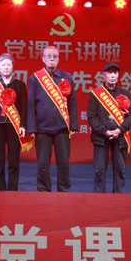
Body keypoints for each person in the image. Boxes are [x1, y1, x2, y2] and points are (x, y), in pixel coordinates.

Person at [27, 46, 78, 192]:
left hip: (62, 128)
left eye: (54, 56)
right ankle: (44, 191)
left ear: (58, 59)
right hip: (42, 129)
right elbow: (31, 104)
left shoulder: (67, 77)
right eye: (48, 56)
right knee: (43, 164)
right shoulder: (35, 78)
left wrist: (73, 125)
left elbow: (72, 103)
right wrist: (32, 128)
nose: (51, 59)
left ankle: (64, 191)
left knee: (64, 163)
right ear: (43, 59)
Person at [87, 62, 131, 193]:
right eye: (110, 73)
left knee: (120, 170)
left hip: (120, 136)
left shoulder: (125, 93)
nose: (113, 76)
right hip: (101, 137)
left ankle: (118, 198)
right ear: (103, 75)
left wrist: (120, 130)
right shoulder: (96, 94)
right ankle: (99, 198)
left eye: (115, 73)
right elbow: (91, 117)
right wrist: (105, 131)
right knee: (99, 170)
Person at [0, 53, 29, 191]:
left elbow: (24, 106)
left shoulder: (20, 85)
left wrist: (23, 125)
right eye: (3, 65)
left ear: (13, 67)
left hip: (14, 126)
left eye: (9, 64)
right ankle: (0, 189)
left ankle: (12, 190)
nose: (6, 67)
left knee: (14, 160)